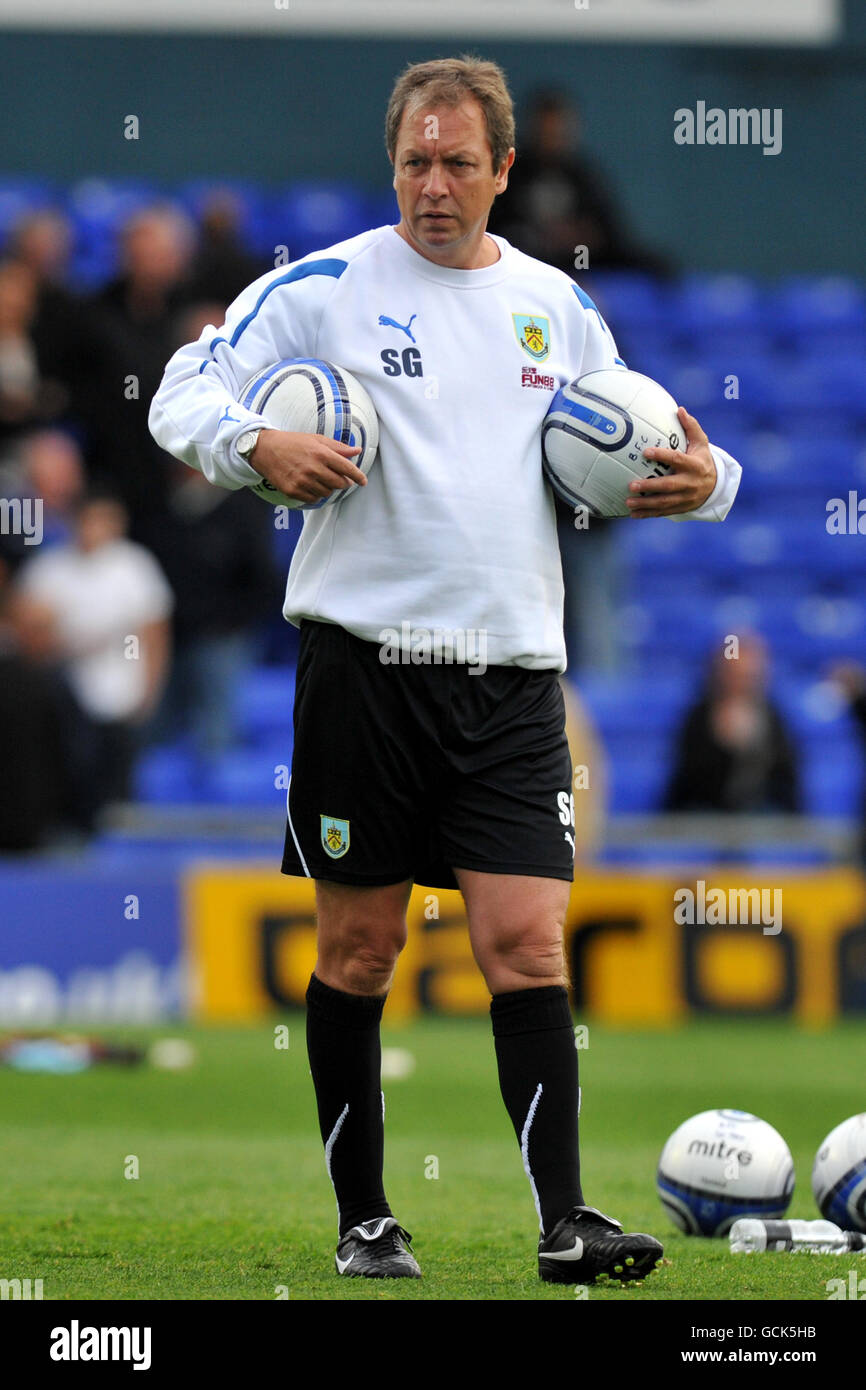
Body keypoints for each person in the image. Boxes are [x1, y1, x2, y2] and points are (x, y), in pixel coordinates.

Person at [149, 56, 742, 1288]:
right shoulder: (319, 287)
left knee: (527, 944)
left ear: (501, 171)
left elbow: (655, 438)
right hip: (363, 671)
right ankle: (366, 1218)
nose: (432, 183)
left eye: (457, 161)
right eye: (414, 160)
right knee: (361, 951)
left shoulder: (555, 308)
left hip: (513, 675)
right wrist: (257, 438)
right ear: (393, 165)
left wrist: (714, 481)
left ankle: (566, 1221)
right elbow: (181, 388)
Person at [664, 633, 799, 814]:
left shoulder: (773, 716)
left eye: (747, 677)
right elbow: (687, 782)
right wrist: (721, 744)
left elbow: (787, 783)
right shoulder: (699, 716)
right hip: (706, 816)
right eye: (734, 675)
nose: (740, 684)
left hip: (759, 818)